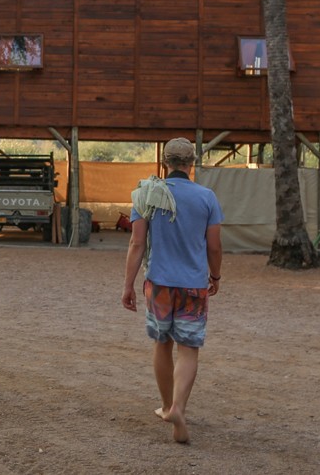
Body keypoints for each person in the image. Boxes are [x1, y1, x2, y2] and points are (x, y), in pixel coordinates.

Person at [122, 137, 223, 444]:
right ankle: (179, 407)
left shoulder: (146, 194)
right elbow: (214, 246)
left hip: (159, 283)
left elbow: (137, 243)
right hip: (193, 285)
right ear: (192, 164)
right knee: (189, 349)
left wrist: (128, 285)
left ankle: (167, 406)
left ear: (164, 162)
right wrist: (215, 276)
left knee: (162, 344)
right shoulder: (207, 197)